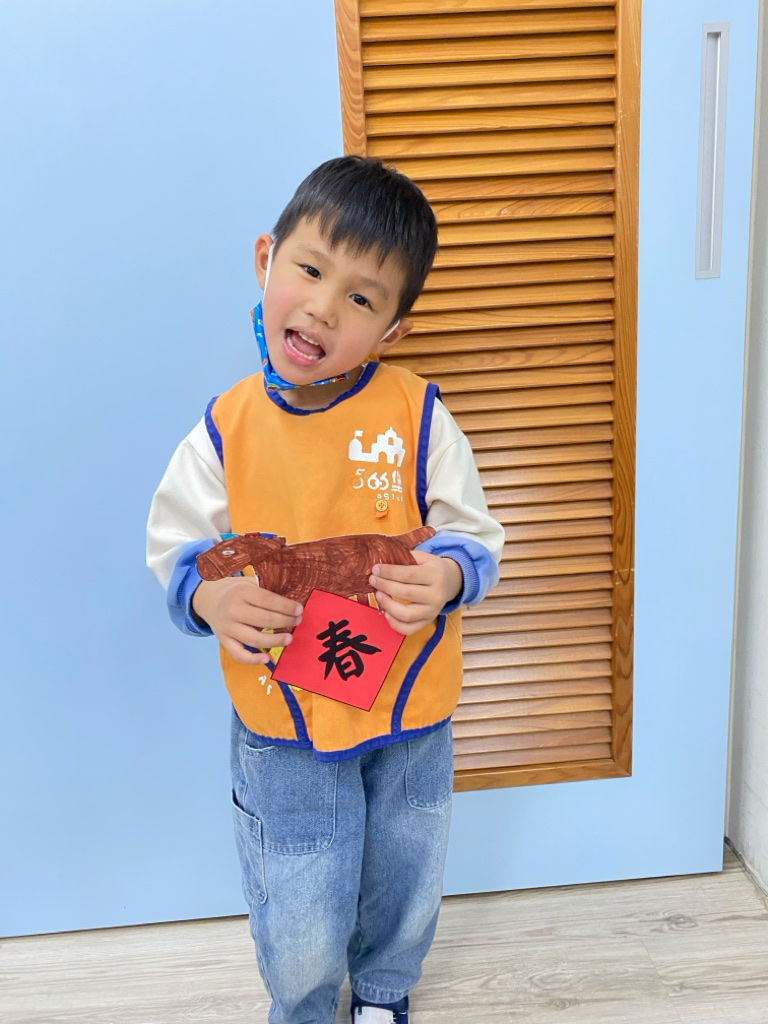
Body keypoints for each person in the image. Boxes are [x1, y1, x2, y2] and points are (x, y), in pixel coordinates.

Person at [147, 156, 504, 1024]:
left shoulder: (419, 414)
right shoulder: (224, 428)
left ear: (393, 328)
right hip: (285, 720)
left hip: (410, 709)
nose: (322, 308)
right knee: (300, 890)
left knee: (407, 870)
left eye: (361, 298)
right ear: (266, 259)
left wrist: (449, 575)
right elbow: (175, 548)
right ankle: (305, 1006)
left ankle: (383, 991)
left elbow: (476, 535)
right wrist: (209, 599)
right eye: (309, 270)